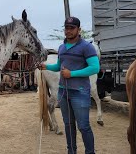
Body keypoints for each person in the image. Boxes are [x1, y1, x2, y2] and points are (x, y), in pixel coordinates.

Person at [40, 17, 100, 154]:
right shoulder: (61, 47)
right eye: (66, 28)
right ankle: (71, 151)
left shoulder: (86, 47)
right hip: (63, 92)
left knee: (84, 126)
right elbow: (58, 66)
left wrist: (71, 74)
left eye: (72, 28)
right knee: (68, 125)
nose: (68, 31)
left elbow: (95, 68)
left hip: (80, 92)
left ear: (79, 30)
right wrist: (45, 66)